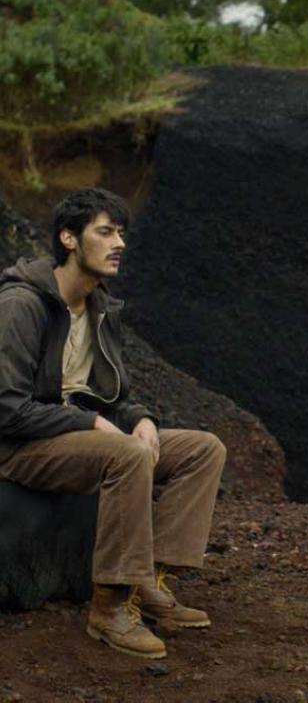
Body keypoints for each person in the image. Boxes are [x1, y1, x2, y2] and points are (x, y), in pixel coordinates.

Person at [0, 188, 227, 660]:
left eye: (122, 232)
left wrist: (139, 418)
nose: (119, 242)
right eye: (105, 231)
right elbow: (7, 408)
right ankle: (109, 609)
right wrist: (93, 423)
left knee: (203, 448)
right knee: (125, 455)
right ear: (68, 238)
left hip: (79, 437)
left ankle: (150, 579)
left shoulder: (101, 308)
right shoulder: (21, 306)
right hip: (22, 446)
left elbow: (115, 394)